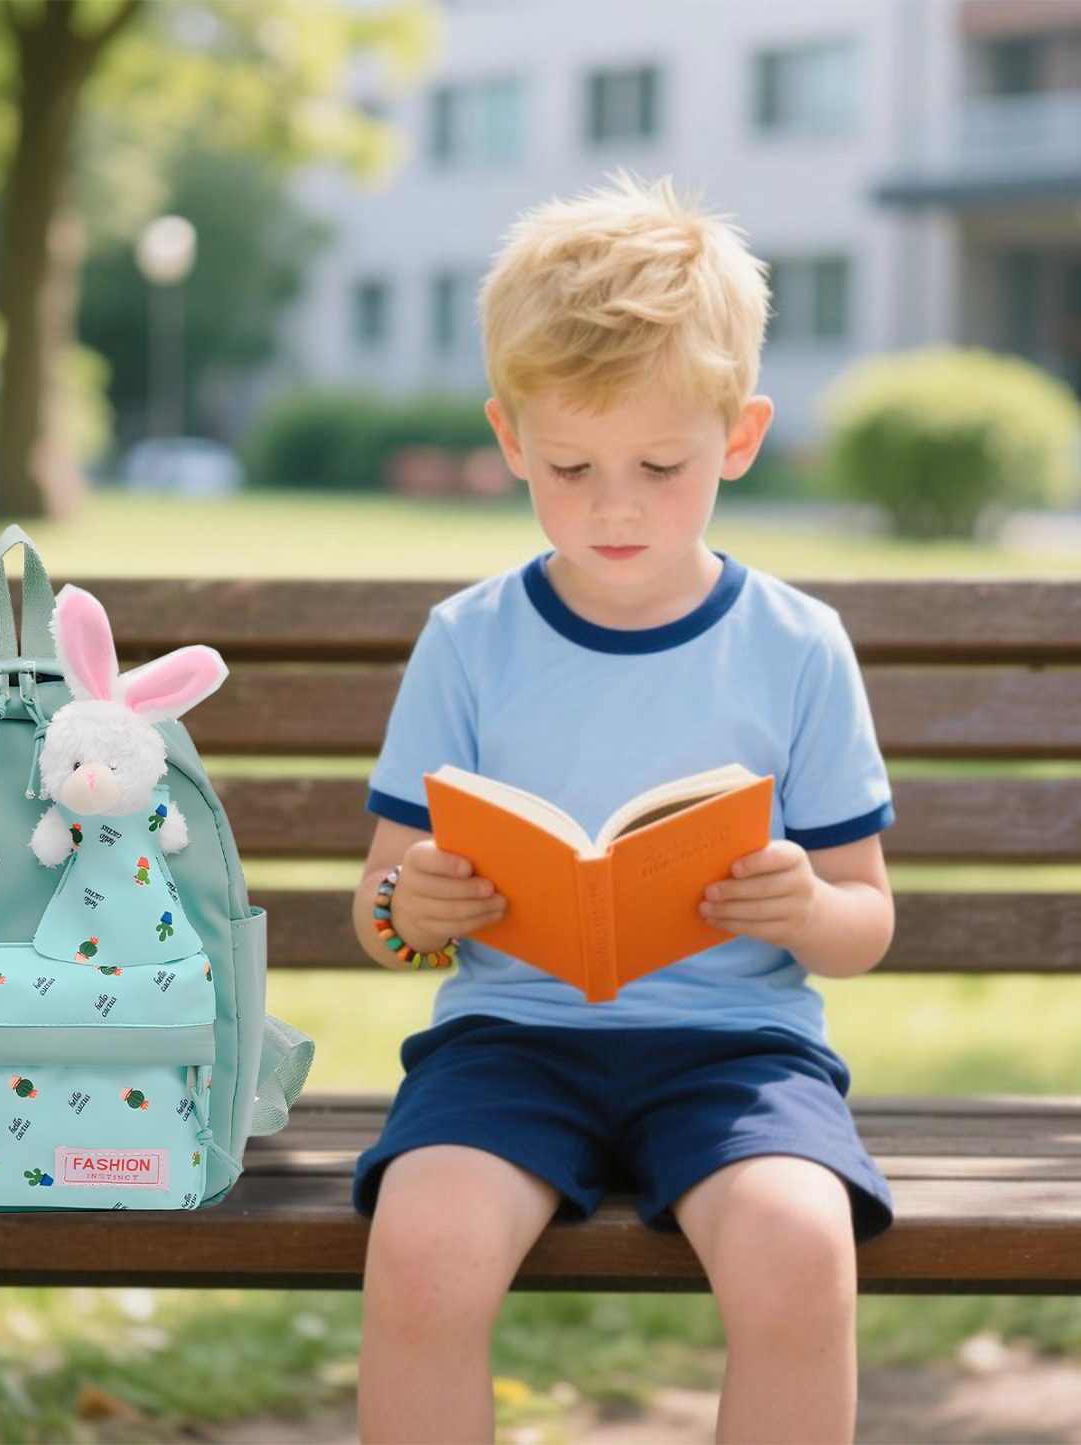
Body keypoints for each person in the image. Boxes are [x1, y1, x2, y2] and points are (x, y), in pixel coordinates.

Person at [349, 168, 897, 1445]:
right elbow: (380, 919)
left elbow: (864, 921)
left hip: (736, 1050)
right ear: (506, 439)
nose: (613, 504)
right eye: (569, 463)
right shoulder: (467, 640)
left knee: (799, 1248)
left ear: (740, 437)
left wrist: (804, 904)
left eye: (660, 462)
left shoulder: (797, 644)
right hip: (507, 1038)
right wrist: (412, 900)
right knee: (421, 1250)